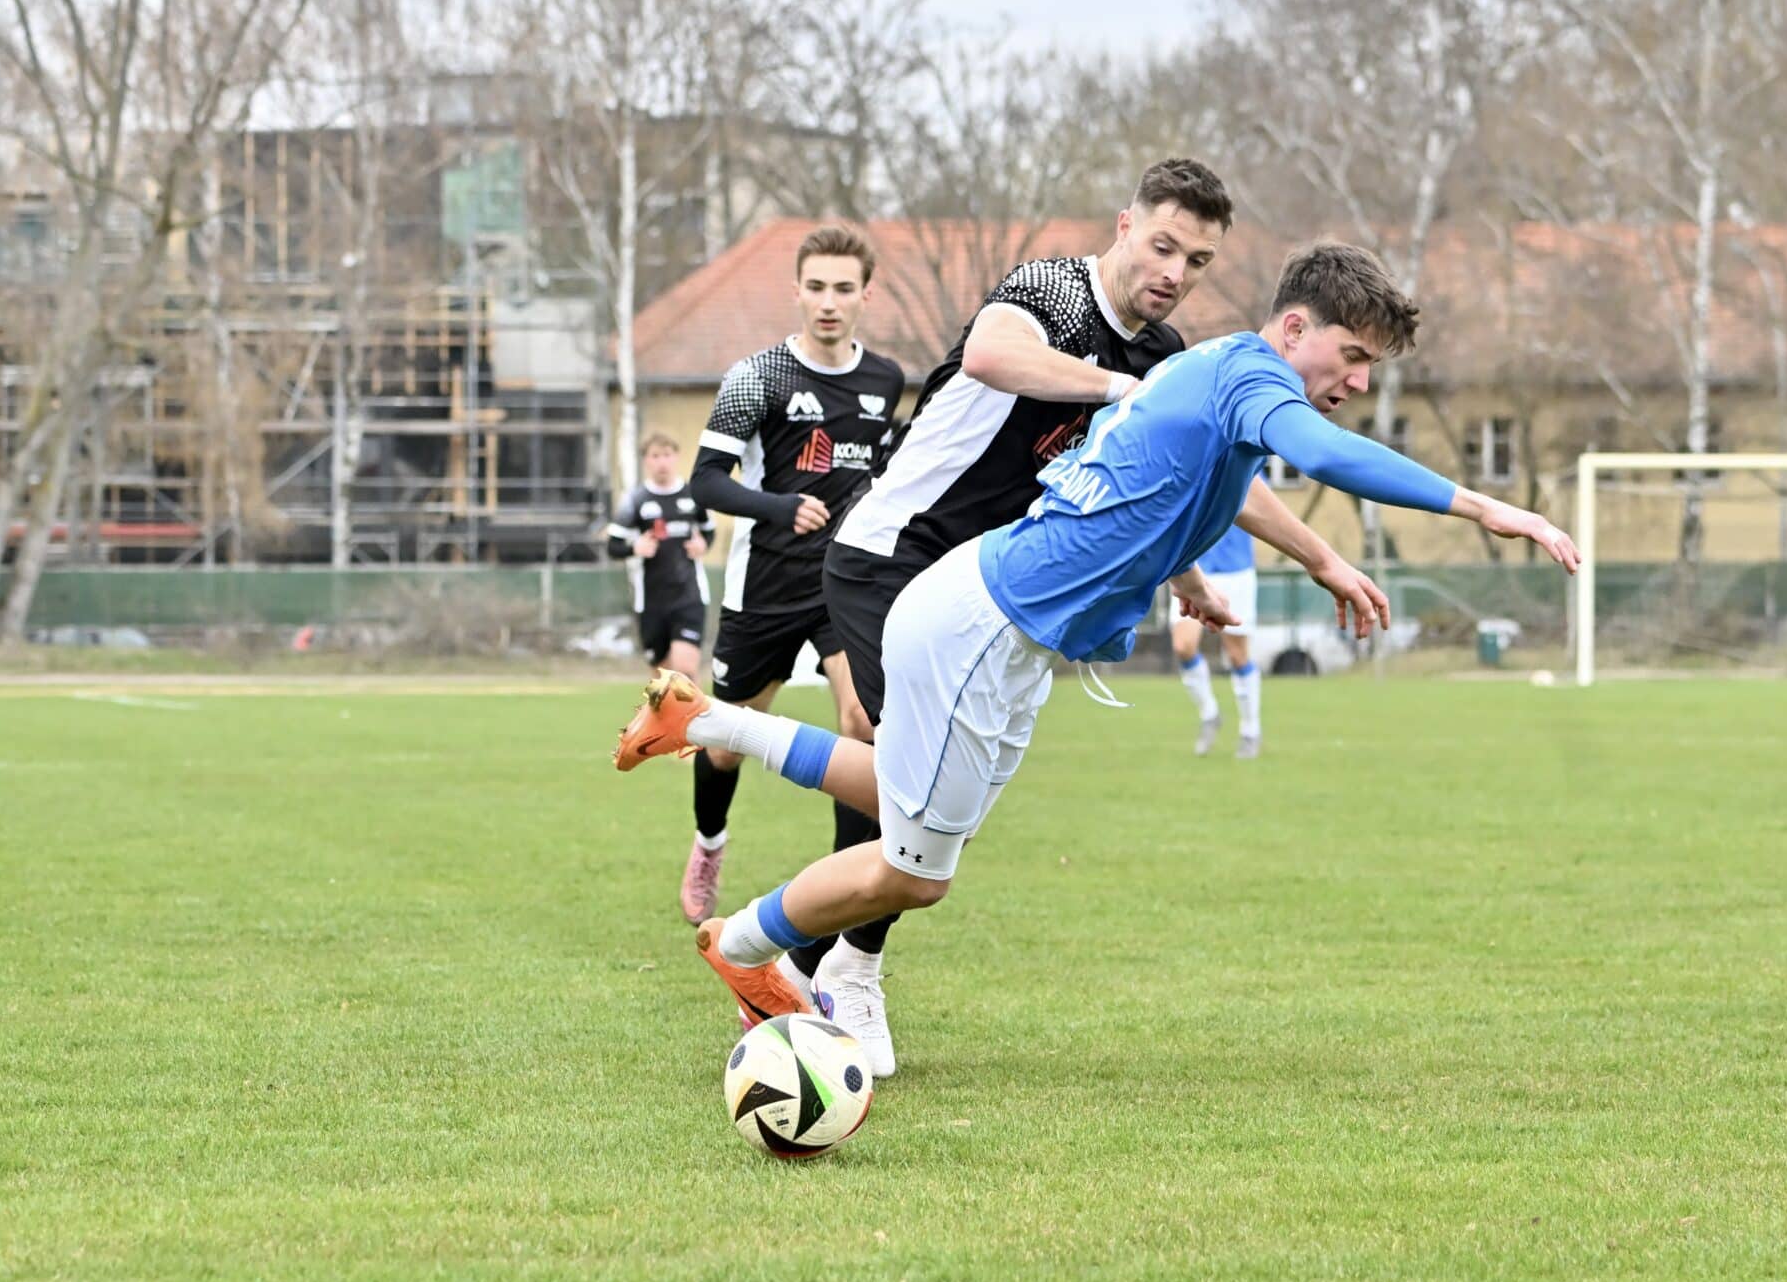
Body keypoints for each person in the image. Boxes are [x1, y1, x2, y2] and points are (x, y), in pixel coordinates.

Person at [613, 240, 1580, 1044]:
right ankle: (746, 950)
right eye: (1353, 355)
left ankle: (709, 723)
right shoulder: (1246, 373)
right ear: (1294, 330)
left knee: (903, 796)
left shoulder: (1210, 378)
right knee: (917, 872)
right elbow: (1326, 454)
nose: (1360, 382)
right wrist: (1485, 506)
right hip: (979, 625)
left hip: (991, 624)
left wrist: (1272, 564)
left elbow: (1180, 488)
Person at [794, 158, 1234, 1073]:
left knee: (924, 789)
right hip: (891, 553)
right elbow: (991, 355)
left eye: (1197, 261)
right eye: (1163, 246)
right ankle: (838, 968)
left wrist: (1200, 571)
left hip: (979, 591)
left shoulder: (1161, 357)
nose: (1174, 272)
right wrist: (1120, 393)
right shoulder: (1052, 291)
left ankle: (806, 957)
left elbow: (1150, 485)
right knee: (909, 781)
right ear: (1125, 226)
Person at [679, 225, 906, 928]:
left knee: (862, 723)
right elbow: (705, 481)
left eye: (843, 288)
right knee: (725, 743)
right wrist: (780, 507)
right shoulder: (759, 376)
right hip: (766, 584)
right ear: (797, 292)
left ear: (866, 294)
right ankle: (709, 844)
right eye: (816, 288)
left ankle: (844, 894)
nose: (829, 302)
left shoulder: (885, 380)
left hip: (847, 584)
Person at [605, 432, 715, 679]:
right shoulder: (635, 500)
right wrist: (635, 548)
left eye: (667, 455)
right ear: (646, 460)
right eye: (655, 456)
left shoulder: (693, 495)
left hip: (689, 595)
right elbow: (613, 546)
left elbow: (709, 532)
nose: (662, 462)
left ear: (676, 457)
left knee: (685, 670)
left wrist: (703, 544)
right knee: (662, 677)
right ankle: (671, 707)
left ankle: (692, 707)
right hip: (651, 600)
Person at [1173, 521, 1261, 758]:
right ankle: (1209, 714)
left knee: (1237, 656)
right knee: (1183, 646)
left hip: (1235, 568)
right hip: (1192, 565)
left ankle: (1250, 730)